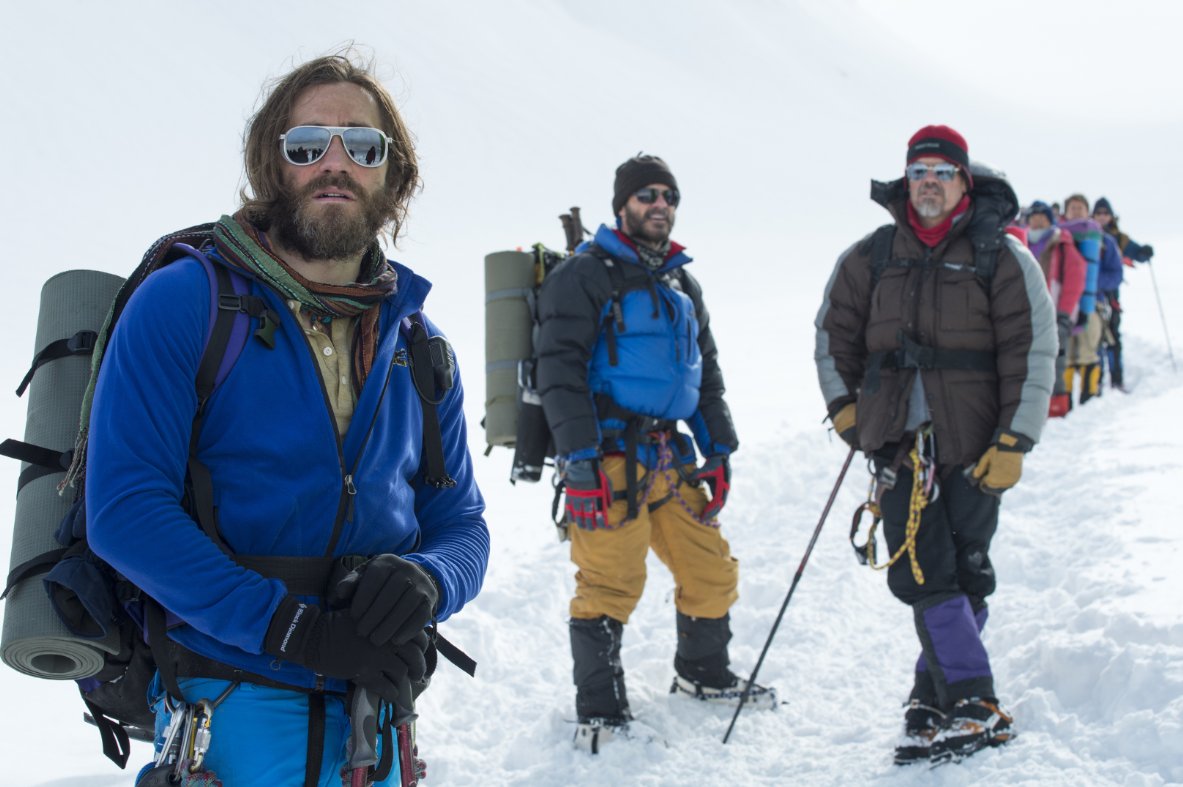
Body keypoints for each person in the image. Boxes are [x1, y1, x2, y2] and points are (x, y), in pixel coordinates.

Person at [86, 52, 489, 786]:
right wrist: (294, 630)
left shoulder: (420, 346)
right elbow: (124, 511)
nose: (335, 163)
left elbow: (460, 518)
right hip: (230, 710)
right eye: (307, 145)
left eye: (363, 147)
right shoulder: (187, 305)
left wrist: (429, 581)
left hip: (378, 716)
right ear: (272, 165)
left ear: (392, 175)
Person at [814, 125, 1056, 764]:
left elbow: (1032, 352)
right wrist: (845, 411)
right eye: (919, 170)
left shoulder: (1002, 258)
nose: (929, 182)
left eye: (942, 171)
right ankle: (974, 698)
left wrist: (1015, 440)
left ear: (963, 181)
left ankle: (932, 697)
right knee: (921, 570)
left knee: (965, 569)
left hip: (977, 445)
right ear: (906, 179)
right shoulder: (870, 255)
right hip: (899, 445)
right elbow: (831, 335)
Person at [535, 153, 774, 753]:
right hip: (609, 457)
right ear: (623, 206)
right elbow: (558, 373)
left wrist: (719, 449)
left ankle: (703, 673)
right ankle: (600, 709)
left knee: (710, 570)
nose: (659, 205)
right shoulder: (584, 275)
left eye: (668, 196)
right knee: (610, 582)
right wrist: (580, 459)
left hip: (671, 456)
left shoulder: (681, 281)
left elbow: (706, 373)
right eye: (647, 196)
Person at [1025, 200, 1087, 416]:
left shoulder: (1062, 244)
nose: (1037, 221)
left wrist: (1064, 313)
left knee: (1056, 360)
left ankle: (1058, 406)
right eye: (1033, 217)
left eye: (1042, 217)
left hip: (1056, 313)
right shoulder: (1022, 243)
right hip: (1027, 314)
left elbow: (1074, 280)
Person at [1092, 197, 1154, 390]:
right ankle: (1096, 381)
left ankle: (1116, 380)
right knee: (1094, 339)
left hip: (1111, 295)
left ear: (1111, 216)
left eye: (1105, 213)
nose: (1102, 217)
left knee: (1113, 336)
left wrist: (1144, 252)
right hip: (1089, 295)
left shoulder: (1119, 238)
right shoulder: (1085, 234)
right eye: (1099, 213)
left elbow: (1135, 252)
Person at [1059, 194, 1105, 406]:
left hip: (1092, 303)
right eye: (1072, 208)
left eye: (1080, 208)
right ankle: (1064, 399)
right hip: (1064, 303)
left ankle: (1089, 399)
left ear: (1088, 211)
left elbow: (1114, 271)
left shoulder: (1102, 240)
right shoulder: (1057, 238)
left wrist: (1095, 283)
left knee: (1088, 350)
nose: (1076, 212)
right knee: (1065, 353)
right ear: (1065, 212)